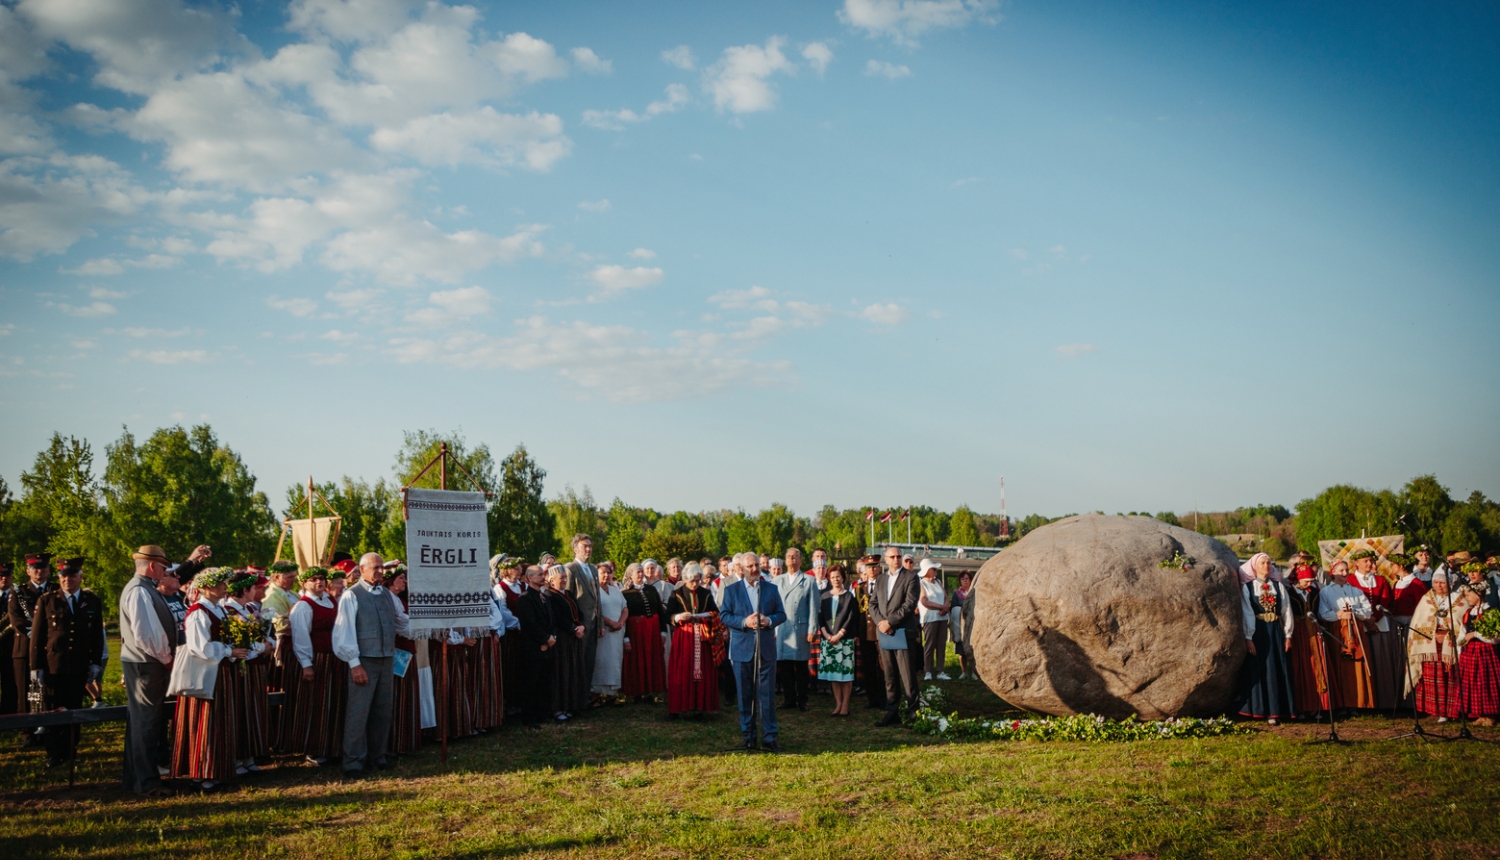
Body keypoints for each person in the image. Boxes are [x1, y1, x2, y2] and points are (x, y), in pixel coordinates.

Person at [120, 545, 203, 797]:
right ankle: (146, 783)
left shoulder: (143, 589)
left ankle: (137, 778)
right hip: (146, 665)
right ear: (153, 566)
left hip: (147, 663)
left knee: (143, 722)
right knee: (146, 722)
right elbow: (147, 635)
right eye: (164, 568)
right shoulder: (139, 591)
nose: (167, 572)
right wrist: (167, 660)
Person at [331, 552, 410, 777]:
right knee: (359, 711)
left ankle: (378, 755)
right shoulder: (351, 596)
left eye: (380, 568)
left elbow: (400, 623)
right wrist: (354, 663)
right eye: (374, 568)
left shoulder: (386, 595)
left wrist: (426, 626)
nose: (379, 572)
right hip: (364, 660)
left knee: (382, 711)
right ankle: (353, 760)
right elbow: (343, 632)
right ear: (362, 569)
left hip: (386, 659)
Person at [170, 567, 247, 792]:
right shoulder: (198, 612)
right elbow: (199, 646)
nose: (225, 587)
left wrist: (235, 649)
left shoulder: (219, 610)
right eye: (220, 583)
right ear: (205, 587)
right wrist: (228, 651)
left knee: (220, 719)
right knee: (205, 720)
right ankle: (201, 772)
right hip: (205, 673)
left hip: (220, 672)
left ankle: (217, 769)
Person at [29, 557, 106, 767]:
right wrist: (36, 667)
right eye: (63, 576)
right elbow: (37, 636)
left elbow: (97, 636)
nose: (67, 580)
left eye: (72, 576)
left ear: (80, 577)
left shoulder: (91, 600)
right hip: (53, 665)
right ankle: (54, 754)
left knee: (74, 710)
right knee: (53, 709)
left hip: (79, 664)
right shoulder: (47, 600)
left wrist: (95, 662)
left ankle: (71, 751)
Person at [719, 553, 786, 751]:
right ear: (742, 568)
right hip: (742, 650)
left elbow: (781, 614)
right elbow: (724, 615)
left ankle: (769, 738)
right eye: (750, 566)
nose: (755, 569)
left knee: (767, 697)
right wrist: (743, 622)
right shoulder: (732, 591)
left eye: (757, 565)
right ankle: (748, 737)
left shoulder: (771, 589)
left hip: (765, 650)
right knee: (745, 696)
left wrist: (769, 621)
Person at [288, 567, 345, 764]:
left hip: (334, 657)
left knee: (334, 701)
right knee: (316, 704)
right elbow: (301, 637)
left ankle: (332, 746)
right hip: (317, 658)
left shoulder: (330, 601)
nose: (319, 582)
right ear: (304, 584)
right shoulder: (303, 606)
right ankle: (314, 748)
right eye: (313, 579)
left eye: (321, 579)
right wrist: (306, 665)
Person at [222, 571, 274, 774]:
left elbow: (262, 634)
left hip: (254, 668)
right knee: (240, 710)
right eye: (253, 588)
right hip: (240, 668)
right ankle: (236, 757)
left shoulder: (250, 609)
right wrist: (261, 647)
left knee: (252, 710)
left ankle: (249, 755)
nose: (256, 591)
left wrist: (268, 641)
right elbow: (238, 643)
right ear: (245, 590)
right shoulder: (229, 611)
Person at [1237, 553, 1296, 725]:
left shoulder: (1278, 587)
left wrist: (1288, 635)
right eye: (1262, 562)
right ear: (1255, 566)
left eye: (1269, 563)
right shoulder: (1247, 587)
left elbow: (1286, 611)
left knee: (1277, 666)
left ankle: (1277, 710)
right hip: (1258, 631)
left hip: (1276, 630)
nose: (1266, 565)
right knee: (1261, 668)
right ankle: (1261, 709)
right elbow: (1247, 613)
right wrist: (1248, 637)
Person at [871, 545, 922, 726]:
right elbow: (873, 604)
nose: (896, 559)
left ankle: (913, 713)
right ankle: (892, 712)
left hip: (902, 632)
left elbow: (909, 605)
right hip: (884, 633)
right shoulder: (881, 579)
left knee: (907, 675)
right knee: (890, 675)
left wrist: (890, 622)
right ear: (886, 559)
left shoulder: (911, 577)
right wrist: (880, 623)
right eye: (892, 557)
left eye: (898, 556)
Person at [1344, 549, 1401, 711]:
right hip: (1359, 624)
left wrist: (1374, 619)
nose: (1370, 564)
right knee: (1363, 662)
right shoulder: (1350, 581)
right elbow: (1350, 602)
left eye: (1371, 561)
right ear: (1357, 564)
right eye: (1366, 561)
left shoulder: (1381, 580)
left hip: (1379, 623)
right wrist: (1366, 620)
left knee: (1381, 660)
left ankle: (1384, 701)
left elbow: (1385, 601)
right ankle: (1364, 700)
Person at [10, 552, 57, 742]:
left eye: (43, 568)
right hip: (24, 649)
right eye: (35, 568)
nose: (40, 571)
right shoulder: (18, 592)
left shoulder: (55, 590)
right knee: (25, 692)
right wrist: (36, 637)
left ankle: (48, 727)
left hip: (49, 649)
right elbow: (16, 620)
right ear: (28, 571)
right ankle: (27, 732)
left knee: (47, 690)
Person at [1318, 560, 1375, 713]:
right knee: (1340, 665)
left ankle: (1358, 702)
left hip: (1356, 631)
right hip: (1339, 630)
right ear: (1333, 573)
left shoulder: (1355, 591)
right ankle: (1342, 703)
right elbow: (1323, 613)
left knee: (1358, 665)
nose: (1345, 573)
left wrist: (1355, 613)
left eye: (1346, 570)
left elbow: (1367, 611)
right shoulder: (1326, 592)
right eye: (1341, 571)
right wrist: (1339, 614)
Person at [1405, 571, 1462, 723]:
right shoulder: (1426, 599)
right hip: (1429, 645)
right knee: (1432, 678)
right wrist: (1433, 634)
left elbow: (1461, 621)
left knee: (1451, 677)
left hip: (1450, 645)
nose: (1439, 585)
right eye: (1436, 582)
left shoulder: (1459, 599)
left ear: (1450, 584)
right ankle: (1435, 711)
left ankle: (1453, 711)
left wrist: (1448, 635)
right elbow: (1418, 620)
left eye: (1442, 583)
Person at [664, 562, 720, 717]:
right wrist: (678, 617)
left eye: (697, 580)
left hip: (702, 635)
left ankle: (700, 706)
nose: (695, 584)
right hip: (684, 636)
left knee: (702, 670)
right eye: (692, 581)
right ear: (686, 579)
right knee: (682, 670)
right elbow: (667, 615)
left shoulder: (705, 593)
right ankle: (680, 706)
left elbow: (715, 611)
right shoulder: (677, 593)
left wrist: (709, 615)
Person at [1285, 559, 1335, 719]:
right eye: (1306, 581)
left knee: (1316, 664)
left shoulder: (1314, 593)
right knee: (1301, 666)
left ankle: (1318, 706)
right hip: (1298, 631)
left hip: (1313, 630)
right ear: (1299, 579)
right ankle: (1301, 707)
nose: (1309, 584)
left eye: (1311, 581)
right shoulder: (1289, 593)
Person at [772, 549, 819, 712]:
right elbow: (772, 605)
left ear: (800, 560)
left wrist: (812, 629)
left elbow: (814, 607)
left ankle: (803, 699)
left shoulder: (809, 580)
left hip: (801, 628)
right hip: (782, 628)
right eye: (788, 556)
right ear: (785, 560)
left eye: (795, 556)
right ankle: (789, 699)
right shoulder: (777, 580)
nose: (791, 558)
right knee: (784, 666)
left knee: (800, 666)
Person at [513, 565, 557, 729]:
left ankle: (542, 714)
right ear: (530, 578)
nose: (543, 576)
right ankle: (529, 718)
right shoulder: (524, 599)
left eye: (543, 574)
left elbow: (552, 620)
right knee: (531, 683)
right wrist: (544, 640)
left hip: (547, 646)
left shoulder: (544, 596)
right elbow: (529, 624)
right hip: (532, 647)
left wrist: (552, 638)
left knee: (544, 683)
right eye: (539, 574)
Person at [261, 560, 299, 751]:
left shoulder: (291, 593)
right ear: (276, 577)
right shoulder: (272, 596)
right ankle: (278, 738)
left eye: (294, 576)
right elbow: (277, 623)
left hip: (295, 644)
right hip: (283, 647)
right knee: (283, 686)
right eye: (289, 577)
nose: (294, 580)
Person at [385, 562, 423, 753]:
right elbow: (401, 624)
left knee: (407, 692)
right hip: (398, 650)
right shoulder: (390, 599)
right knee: (399, 693)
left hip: (406, 649)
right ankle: (397, 740)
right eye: (401, 578)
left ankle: (406, 738)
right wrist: (423, 626)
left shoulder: (398, 599)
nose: (405, 581)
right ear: (391, 581)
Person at [547, 565, 589, 720]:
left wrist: (582, 625)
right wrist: (573, 629)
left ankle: (573, 705)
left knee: (574, 671)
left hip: (574, 638)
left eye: (565, 577)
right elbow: (557, 617)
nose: (564, 580)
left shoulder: (569, 594)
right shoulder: (550, 595)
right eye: (561, 578)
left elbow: (579, 611)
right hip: (563, 638)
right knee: (562, 672)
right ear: (552, 579)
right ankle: (559, 708)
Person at [562, 535, 602, 698]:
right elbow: (567, 599)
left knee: (589, 663)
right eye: (585, 546)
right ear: (575, 549)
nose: (588, 549)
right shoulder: (570, 568)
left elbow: (597, 598)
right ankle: (574, 699)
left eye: (590, 546)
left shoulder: (593, 569)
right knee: (576, 664)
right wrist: (574, 626)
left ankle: (585, 699)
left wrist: (600, 625)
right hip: (580, 626)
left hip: (593, 625)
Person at [621, 563, 667, 702]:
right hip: (636, 630)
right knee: (637, 659)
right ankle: (637, 692)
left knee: (651, 658)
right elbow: (624, 616)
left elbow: (660, 610)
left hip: (652, 628)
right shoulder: (625, 593)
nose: (641, 575)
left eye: (642, 572)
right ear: (631, 575)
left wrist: (663, 631)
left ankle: (650, 692)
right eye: (638, 572)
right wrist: (626, 637)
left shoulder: (651, 590)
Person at [817, 565, 858, 716]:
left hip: (844, 641)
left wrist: (839, 635)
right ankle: (838, 704)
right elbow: (820, 617)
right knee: (834, 675)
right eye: (832, 577)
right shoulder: (824, 596)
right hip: (828, 641)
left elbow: (851, 618)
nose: (835, 579)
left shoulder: (849, 597)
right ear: (829, 578)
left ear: (843, 578)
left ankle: (846, 705)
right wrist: (827, 635)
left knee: (845, 676)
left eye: (838, 577)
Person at [1457, 585, 1500, 726]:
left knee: (1485, 682)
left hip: (1485, 651)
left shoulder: (1490, 612)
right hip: (1470, 652)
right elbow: (1463, 633)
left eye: (1469, 594)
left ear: (1478, 594)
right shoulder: (1469, 612)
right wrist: (1460, 643)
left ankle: (1490, 715)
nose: (1467, 597)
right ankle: (1480, 714)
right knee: (1474, 683)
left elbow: (1495, 637)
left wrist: (1475, 634)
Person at [493, 555, 527, 717]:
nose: (520, 570)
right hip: (511, 635)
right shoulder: (500, 589)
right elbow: (503, 612)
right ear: (507, 571)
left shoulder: (523, 586)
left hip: (525, 634)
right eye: (516, 568)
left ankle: (522, 700)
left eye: (520, 568)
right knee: (511, 667)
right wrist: (518, 624)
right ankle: (509, 703)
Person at [591, 562, 628, 703]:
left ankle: (612, 695)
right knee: (600, 662)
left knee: (614, 662)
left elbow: (625, 608)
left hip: (617, 633)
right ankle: (595, 694)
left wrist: (620, 623)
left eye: (609, 572)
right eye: (603, 573)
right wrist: (610, 623)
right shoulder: (594, 591)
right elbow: (595, 611)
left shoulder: (615, 590)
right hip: (603, 632)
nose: (606, 575)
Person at [854, 556, 886, 710]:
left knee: (883, 667)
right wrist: (857, 634)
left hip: (881, 631)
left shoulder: (885, 585)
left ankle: (884, 698)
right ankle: (872, 699)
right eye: (869, 567)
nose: (872, 570)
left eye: (875, 566)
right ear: (864, 570)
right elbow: (857, 613)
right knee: (869, 668)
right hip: (865, 633)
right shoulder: (859, 588)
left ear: (879, 568)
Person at [917, 559, 951, 680]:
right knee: (930, 645)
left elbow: (945, 596)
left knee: (941, 644)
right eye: (933, 569)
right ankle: (928, 671)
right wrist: (941, 607)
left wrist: (945, 607)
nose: (936, 571)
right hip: (930, 618)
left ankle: (940, 670)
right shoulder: (922, 583)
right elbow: (924, 601)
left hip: (942, 617)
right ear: (927, 571)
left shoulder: (938, 582)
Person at [949, 571, 976, 680]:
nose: (965, 581)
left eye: (967, 579)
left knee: (973, 649)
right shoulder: (956, 593)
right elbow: (954, 608)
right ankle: (964, 671)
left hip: (973, 623)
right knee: (962, 650)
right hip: (960, 624)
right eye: (962, 579)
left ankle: (975, 672)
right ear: (960, 581)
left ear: (970, 580)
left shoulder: (974, 591)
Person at [0, 563, 14, 715]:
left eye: (7, 575)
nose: (4, 578)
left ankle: (8, 714)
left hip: (11, 647)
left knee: (10, 683)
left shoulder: (18, 595)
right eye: (1, 576)